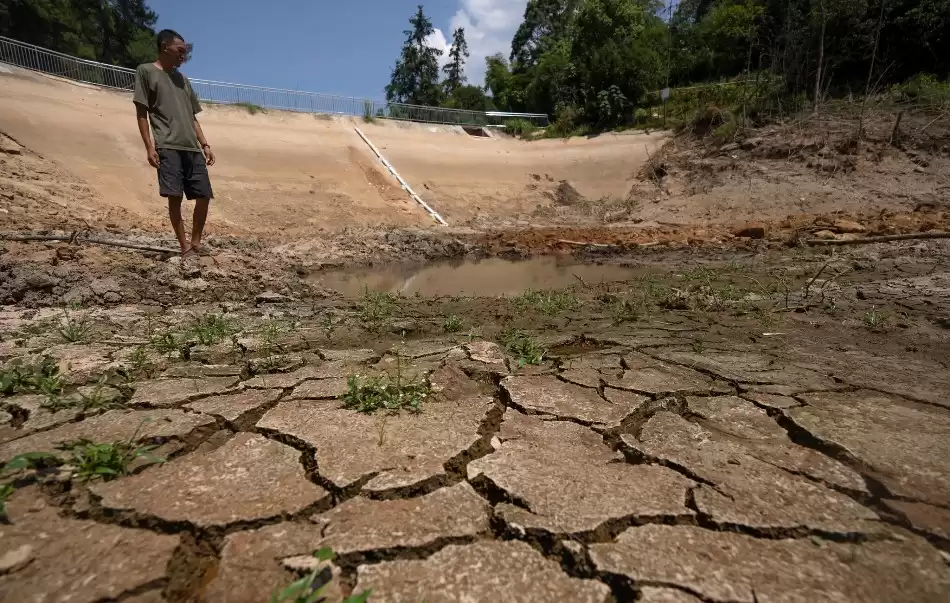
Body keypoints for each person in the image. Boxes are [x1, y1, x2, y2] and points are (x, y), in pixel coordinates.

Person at [133, 29, 216, 259]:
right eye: (180, 50)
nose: (184, 55)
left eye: (185, 51)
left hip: (192, 147)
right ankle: (184, 246)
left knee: (204, 195)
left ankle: (196, 241)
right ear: (164, 46)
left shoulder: (183, 80)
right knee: (174, 197)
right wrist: (149, 147)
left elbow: (193, 117)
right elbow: (141, 111)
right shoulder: (146, 71)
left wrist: (205, 144)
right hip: (167, 145)